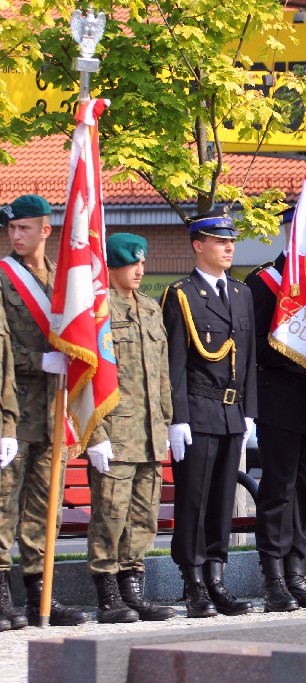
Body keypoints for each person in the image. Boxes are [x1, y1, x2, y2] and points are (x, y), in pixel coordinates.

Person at [245, 207, 306, 613]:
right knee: (278, 492)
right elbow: (253, 346)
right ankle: (274, 579)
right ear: (289, 232)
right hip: (280, 402)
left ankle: (299, 574)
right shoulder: (264, 282)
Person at [161, 209, 257, 618]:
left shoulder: (240, 293)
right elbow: (175, 362)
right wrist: (177, 417)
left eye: (231, 241)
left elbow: (249, 358)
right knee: (194, 500)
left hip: (232, 412)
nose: (229, 247)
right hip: (197, 411)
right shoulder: (181, 294)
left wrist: (249, 410)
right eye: (220, 241)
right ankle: (193, 582)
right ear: (198, 245)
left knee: (222, 500)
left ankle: (217, 579)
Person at [0, 194, 84, 627]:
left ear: (45, 230)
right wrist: (39, 361)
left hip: (54, 412)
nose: (16, 236)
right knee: (3, 506)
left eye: (24, 228)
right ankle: (1, 598)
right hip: (12, 413)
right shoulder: (3, 278)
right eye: (11, 229)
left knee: (43, 509)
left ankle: (40, 598)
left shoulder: (66, 280)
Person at [85, 233, 175, 623]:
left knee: (142, 517)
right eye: (130, 263)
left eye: (141, 262)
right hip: (115, 434)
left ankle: (133, 590)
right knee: (110, 516)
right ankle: (108, 596)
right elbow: (87, 376)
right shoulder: (96, 310)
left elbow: (161, 375)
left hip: (150, 433)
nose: (139, 270)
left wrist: (167, 422)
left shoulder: (150, 308)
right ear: (111, 267)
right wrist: (95, 434)